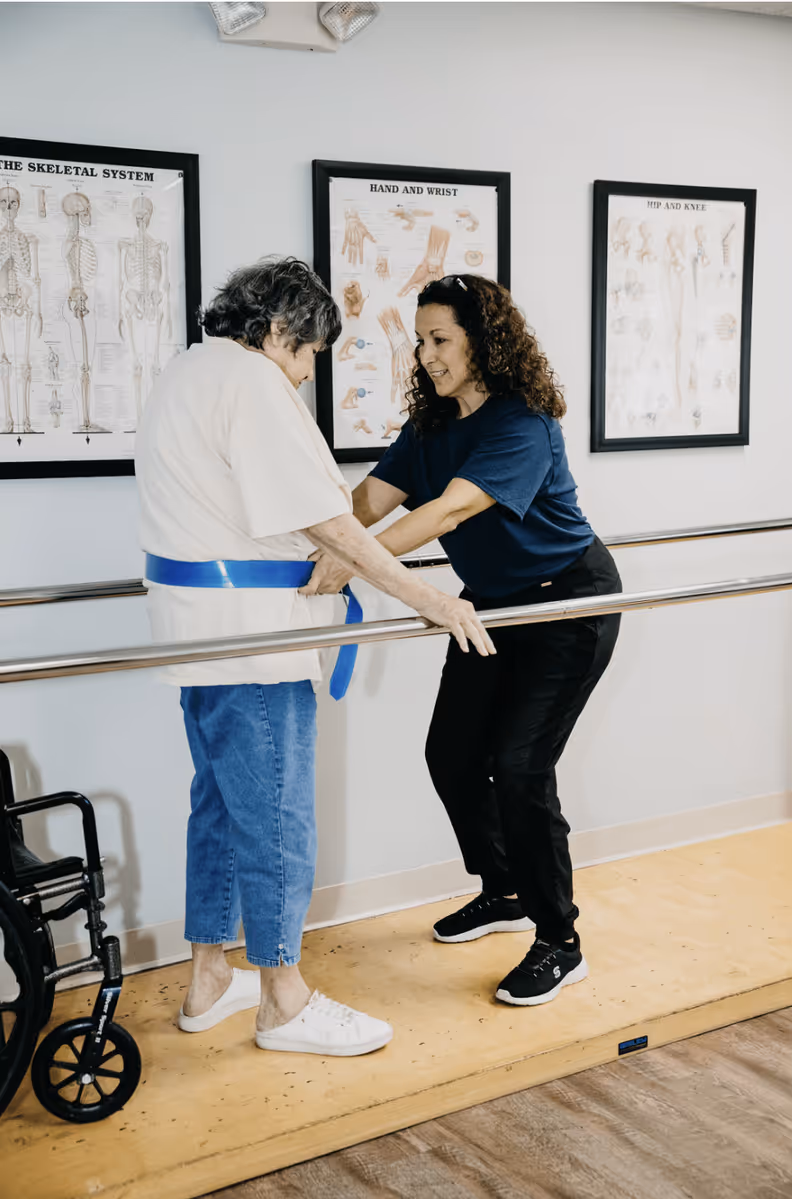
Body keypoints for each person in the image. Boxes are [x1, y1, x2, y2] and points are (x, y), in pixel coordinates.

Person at [135, 258, 494, 1057]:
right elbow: (330, 522)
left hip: (199, 635)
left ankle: (207, 979)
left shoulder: (188, 371)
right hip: (255, 640)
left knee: (222, 806)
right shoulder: (252, 382)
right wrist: (431, 598)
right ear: (274, 332)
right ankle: (283, 1000)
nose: (303, 374)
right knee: (278, 815)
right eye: (305, 355)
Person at [303, 274, 622, 1008]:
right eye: (420, 340)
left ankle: (559, 940)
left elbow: (448, 513)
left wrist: (354, 557)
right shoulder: (432, 428)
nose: (426, 354)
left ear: (484, 340)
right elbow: (364, 504)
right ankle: (504, 888)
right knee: (449, 752)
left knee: (518, 766)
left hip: (567, 604)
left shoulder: (524, 423)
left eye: (440, 338)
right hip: (491, 607)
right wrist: (307, 535)